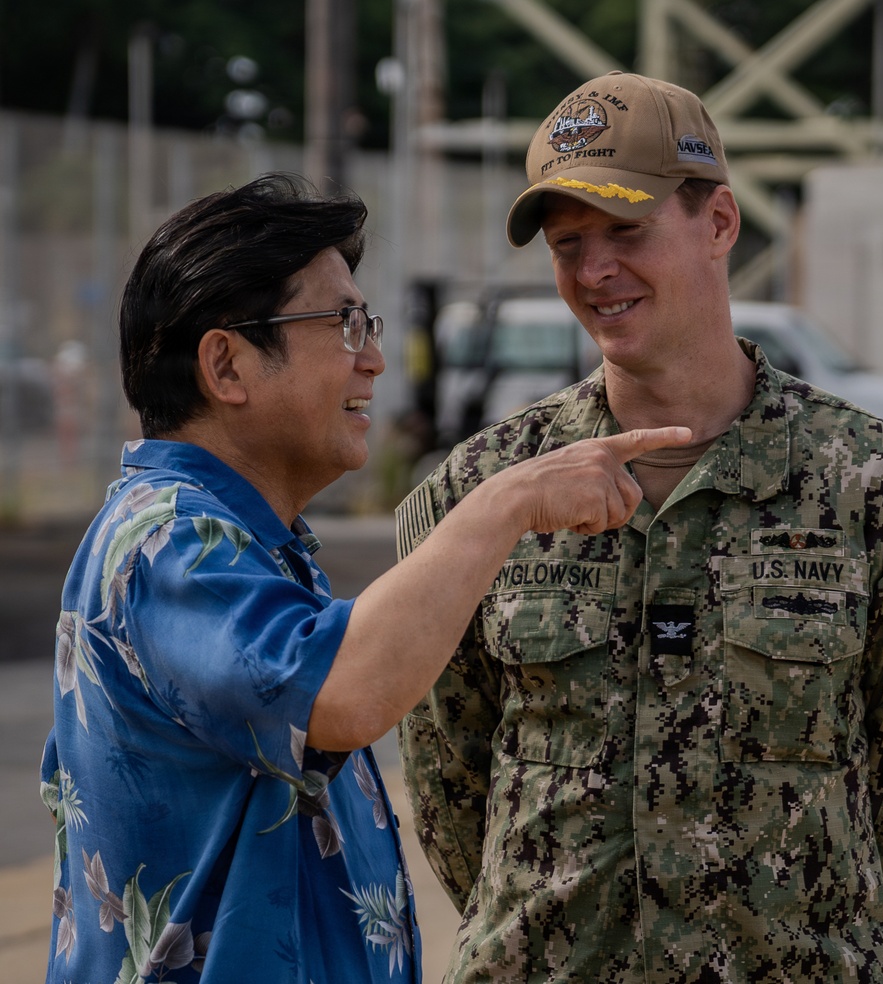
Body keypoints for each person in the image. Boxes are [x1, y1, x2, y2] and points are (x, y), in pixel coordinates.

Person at [396, 73, 883, 982]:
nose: (595, 272)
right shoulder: (481, 491)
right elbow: (447, 778)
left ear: (718, 223)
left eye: (626, 232)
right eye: (568, 245)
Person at [39, 172, 689, 984]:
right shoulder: (168, 539)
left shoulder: (248, 541)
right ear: (226, 364)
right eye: (344, 324)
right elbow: (345, 692)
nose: (375, 359)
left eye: (368, 322)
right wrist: (509, 503)